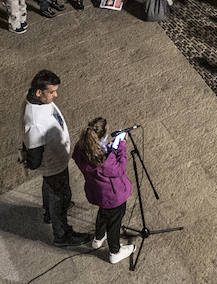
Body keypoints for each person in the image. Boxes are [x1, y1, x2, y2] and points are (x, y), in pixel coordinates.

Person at [20, 70, 89, 247]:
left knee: (50, 189)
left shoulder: (39, 101)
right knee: (60, 197)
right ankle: (62, 235)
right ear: (38, 92)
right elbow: (34, 159)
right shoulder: (34, 123)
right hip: (53, 166)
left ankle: (49, 213)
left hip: (56, 162)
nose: (55, 95)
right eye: (51, 92)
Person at [71, 116, 135, 264]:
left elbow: (83, 156)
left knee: (103, 213)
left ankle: (98, 238)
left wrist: (109, 148)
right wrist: (122, 145)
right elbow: (119, 169)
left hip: (97, 192)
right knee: (114, 223)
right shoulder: (104, 159)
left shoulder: (81, 148)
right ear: (102, 136)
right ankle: (114, 252)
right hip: (113, 196)